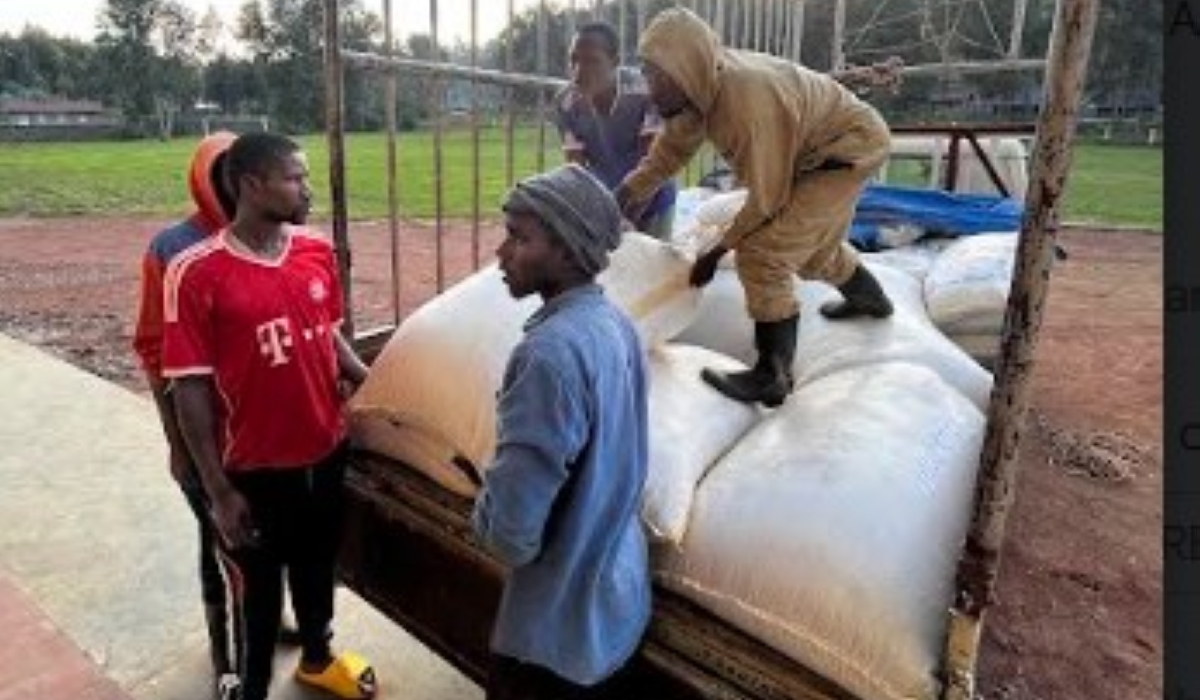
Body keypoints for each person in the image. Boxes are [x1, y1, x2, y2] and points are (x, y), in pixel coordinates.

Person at [162, 131, 375, 700]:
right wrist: (218, 490)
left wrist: (371, 383)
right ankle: (252, 686)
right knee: (258, 591)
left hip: (326, 450)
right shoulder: (195, 272)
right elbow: (189, 387)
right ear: (252, 185)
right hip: (254, 470)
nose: (308, 190)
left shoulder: (315, 252)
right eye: (295, 178)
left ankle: (317, 658)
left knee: (317, 566)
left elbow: (328, 334)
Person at [615, 8, 895, 407]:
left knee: (764, 253)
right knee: (813, 250)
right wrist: (626, 192)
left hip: (847, 147)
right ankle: (869, 299)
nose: (651, 89)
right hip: (814, 150)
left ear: (687, 67)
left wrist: (716, 251)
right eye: (648, 75)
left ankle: (771, 374)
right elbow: (669, 153)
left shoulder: (743, 103)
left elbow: (766, 200)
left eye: (659, 77)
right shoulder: (698, 92)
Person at [473, 164, 651, 700]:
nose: (501, 253)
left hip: (553, 636)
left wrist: (484, 515)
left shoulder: (547, 356)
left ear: (570, 252)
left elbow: (510, 537)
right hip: (614, 602)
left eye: (519, 238)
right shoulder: (616, 324)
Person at [132, 131, 244, 699]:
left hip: (257, 436)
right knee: (220, 545)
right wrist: (177, 444)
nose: (234, 187)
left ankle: (267, 625)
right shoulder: (171, 250)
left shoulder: (269, 237)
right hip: (207, 441)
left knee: (258, 549)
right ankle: (227, 658)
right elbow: (155, 352)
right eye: (222, 176)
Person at [554, 21, 677, 239]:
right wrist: (594, 215)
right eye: (574, 60)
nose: (579, 71)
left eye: (592, 61)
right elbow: (577, 169)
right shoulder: (566, 102)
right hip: (608, 200)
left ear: (615, 62)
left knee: (651, 257)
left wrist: (625, 218)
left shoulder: (647, 91)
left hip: (654, 198)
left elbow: (653, 164)